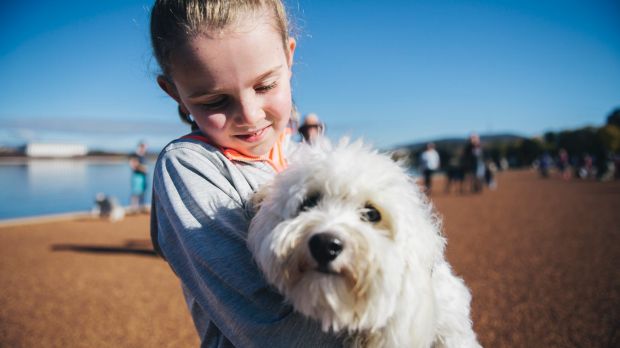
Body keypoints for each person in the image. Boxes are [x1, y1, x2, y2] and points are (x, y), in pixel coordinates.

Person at [148, 1, 343, 347]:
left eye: (265, 85)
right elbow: (269, 326)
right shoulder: (190, 166)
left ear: (289, 56)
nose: (250, 117)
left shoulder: (314, 159)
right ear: (173, 92)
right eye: (214, 101)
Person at [129, 142, 149, 213]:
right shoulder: (135, 155)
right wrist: (143, 168)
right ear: (140, 147)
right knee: (136, 192)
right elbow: (133, 165)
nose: (145, 149)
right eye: (144, 147)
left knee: (143, 192)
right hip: (137, 176)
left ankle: (141, 207)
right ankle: (134, 209)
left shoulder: (144, 156)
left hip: (143, 177)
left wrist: (143, 168)